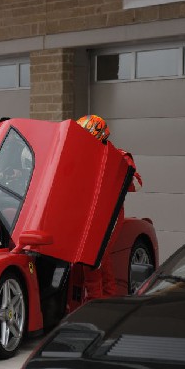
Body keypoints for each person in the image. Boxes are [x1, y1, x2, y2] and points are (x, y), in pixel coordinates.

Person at [73, 114, 142, 301]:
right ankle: (106, 301)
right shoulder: (83, 156)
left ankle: (96, 303)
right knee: (99, 259)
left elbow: (124, 181)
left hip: (110, 214)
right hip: (89, 213)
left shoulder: (119, 157)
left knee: (95, 258)